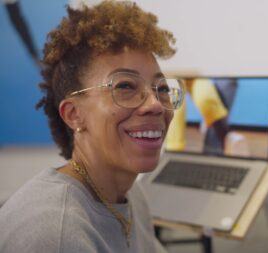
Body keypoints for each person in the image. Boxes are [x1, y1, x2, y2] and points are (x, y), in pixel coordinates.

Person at [0, 1, 184, 252]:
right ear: (74, 115)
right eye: (125, 87)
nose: (155, 105)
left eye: (161, 88)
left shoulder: (130, 196)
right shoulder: (57, 234)